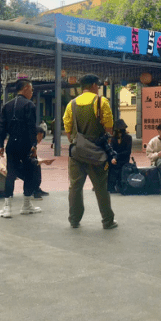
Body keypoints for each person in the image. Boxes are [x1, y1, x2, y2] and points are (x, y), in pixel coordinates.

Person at [64, 74, 117, 229]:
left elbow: (68, 130)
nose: (98, 88)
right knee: (101, 187)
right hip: (97, 153)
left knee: (75, 187)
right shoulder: (101, 102)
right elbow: (109, 128)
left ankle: (74, 220)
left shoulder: (71, 104)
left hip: (76, 152)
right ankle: (107, 221)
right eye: (98, 85)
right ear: (94, 85)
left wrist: (79, 143)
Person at [0, 79, 42, 218]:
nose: (32, 92)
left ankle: (7, 207)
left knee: (10, 173)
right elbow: (31, 127)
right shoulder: (30, 105)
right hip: (25, 143)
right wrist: (34, 145)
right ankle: (26, 205)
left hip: (11, 143)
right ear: (26, 88)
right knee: (30, 172)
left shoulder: (7, 105)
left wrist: (0, 145)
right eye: (31, 89)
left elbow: (2, 127)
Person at [108, 119, 132, 193]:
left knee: (118, 165)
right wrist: (113, 158)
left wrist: (116, 157)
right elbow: (111, 149)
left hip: (123, 159)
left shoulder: (128, 138)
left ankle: (120, 184)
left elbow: (127, 152)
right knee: (109, 164)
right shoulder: (113, 139)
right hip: (115, 159)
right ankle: (110, 185)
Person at [32, 126, 52, 200]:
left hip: (24, 163)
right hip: (18, 165)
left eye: (42, 137)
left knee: (37, 165)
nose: (41, 139)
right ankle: (34, 190)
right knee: (35, 167)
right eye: (40, 136)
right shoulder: (31, 143)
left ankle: (36, 188)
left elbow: (34, 157)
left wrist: (42, 161)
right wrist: (43, 161)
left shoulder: (34, 143)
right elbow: (30, 158)